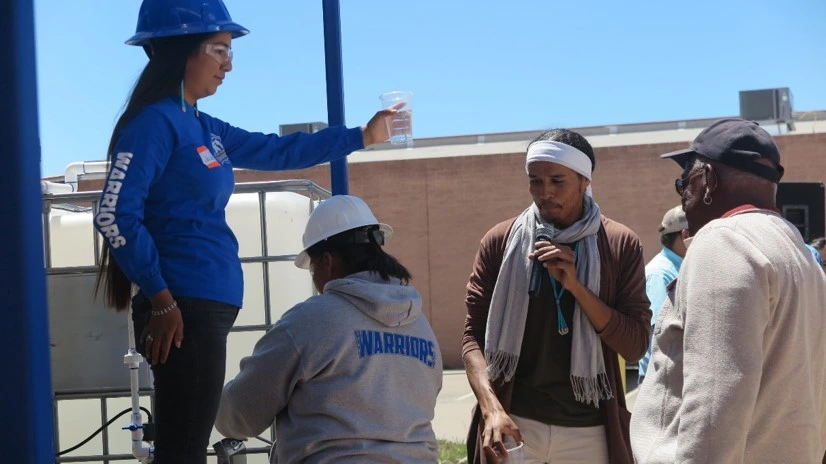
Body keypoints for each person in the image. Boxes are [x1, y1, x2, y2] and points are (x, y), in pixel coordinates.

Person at [92, 1, 402, 462]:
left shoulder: (202, 125)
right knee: (183, 451)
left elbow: (276, 150)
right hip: (182, 310)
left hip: (201, 308)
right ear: (182, 50)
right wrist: (161, 299)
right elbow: (114, 214)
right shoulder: (154, 124)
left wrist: (360, 136)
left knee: (186, 447)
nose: (229, 64)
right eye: (218, 50)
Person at [630, 118, 826, 463]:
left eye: (683, 182)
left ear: (708, 180)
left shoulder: (724, 242)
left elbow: (714, 409)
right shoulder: (799, 253)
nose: (683, 198)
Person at [462, 129, 651, 464]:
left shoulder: (619, 244)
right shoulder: (500, 241)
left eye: (557, 181)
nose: (544, 193)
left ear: (584, 181)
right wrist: (491, 409)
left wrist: (577, 287)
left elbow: (635, 345)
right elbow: (472, 338)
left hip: (590, 432)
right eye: (536, 181)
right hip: (516, 425)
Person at [215, 195, 442, 463]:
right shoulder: (419, 324)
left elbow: (241, 415)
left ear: (327, 261)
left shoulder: (310, 322)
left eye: (312, 268)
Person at [637, 206, 688, 384]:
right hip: (661, 381)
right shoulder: (659, 274)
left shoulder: (681, 267)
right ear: (685, 235)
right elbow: (660, 334)